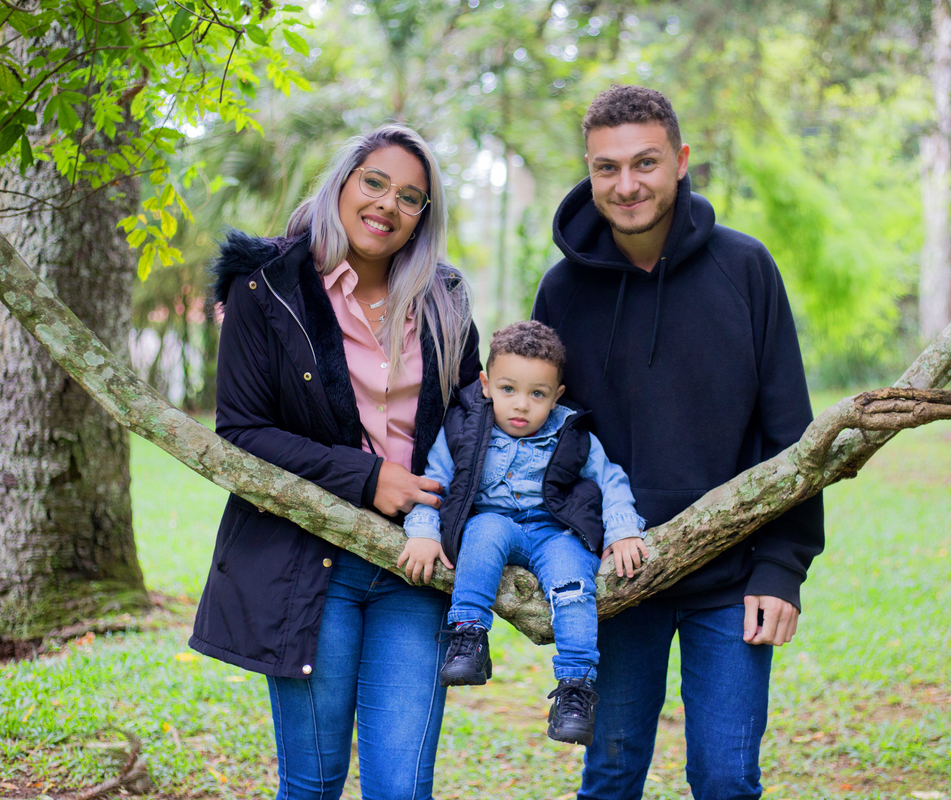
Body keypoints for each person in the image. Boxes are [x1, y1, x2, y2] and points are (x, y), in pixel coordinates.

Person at [532, 85, 825, 800]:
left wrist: (782, 567)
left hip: (731, 580)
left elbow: (791, 437)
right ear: (589, 170)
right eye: (607, 168)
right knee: (609, 776)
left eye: (645, 163)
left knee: (727, 778)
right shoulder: (562, 292)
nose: (626, 185)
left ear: (681, 160)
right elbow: (544, 438)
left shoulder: (746, 269)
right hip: (617, 578)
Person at [189, 124, 480, 800]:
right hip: (307, 567)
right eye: (374, 182)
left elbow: (471, 417)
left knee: (402, 789)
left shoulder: (444, 296)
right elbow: (241, 430)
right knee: (313, 784)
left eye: (411, 197)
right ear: (343, 182)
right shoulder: (267, 285)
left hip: (416, 565)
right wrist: (368, 477)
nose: (387, 204)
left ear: (422, 218)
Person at [399, 321, 646, 746]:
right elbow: (433, 482)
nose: (521, 405)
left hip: (557, 534)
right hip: (497, 527)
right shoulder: (464, 427)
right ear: (486, 384)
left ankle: (574, 688)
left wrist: (623, 532)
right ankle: (468, 637)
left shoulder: (571, 433)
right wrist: (423, 532)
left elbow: (612, 481)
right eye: (509, 389)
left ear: (557, 397)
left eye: (538, 394)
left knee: (573, 585)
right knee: (483, 530)